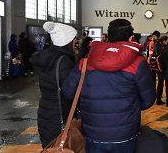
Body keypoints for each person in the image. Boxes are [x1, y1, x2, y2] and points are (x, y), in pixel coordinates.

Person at [63, 19, 156, 153]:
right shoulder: (139, 64)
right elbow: (148, 101)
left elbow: (68, 92)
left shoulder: (85, 62)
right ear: (130, 38)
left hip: (92, 132)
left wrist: (87, 104)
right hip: (125, 133)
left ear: (108, 36)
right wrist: (130, 105)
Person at [30, 22, 77, 148]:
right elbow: (70, 92)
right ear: (67, 41)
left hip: (46, 113)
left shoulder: (48, 57)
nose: (75, 42)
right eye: (73, 39)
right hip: (59, 117)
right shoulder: (64, 62)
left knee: (50, 148)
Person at [156, 35, 168, 106]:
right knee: (167, 85)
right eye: (167, 41)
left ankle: (158, 99)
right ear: (164, 41)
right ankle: (167, 100)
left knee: (160, 84)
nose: (167, 42)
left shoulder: (157, 47)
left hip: (160, 68)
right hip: (167, 68)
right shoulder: (166, 48)